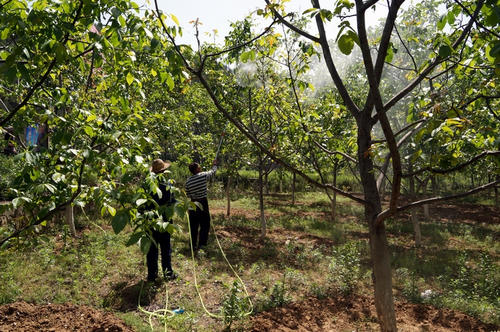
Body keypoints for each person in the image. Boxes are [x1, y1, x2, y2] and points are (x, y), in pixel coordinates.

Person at [145, 159, 176, 282]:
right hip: (165, 221)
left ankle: (152, 276)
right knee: (165, 248)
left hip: (150, 222)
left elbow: (141, 204)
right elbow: (172, 203)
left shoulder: (146, 185)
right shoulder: (167, 185)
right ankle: (168, 274)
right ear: (163, 171)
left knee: (151, 250)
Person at [185, 160, 217, 251]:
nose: (200, 167)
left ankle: (192, 245)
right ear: (197, 169)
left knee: (193, 226)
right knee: (205, 224)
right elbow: (212, 172)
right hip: (202, 202)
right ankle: (202, 245)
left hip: (192, 203)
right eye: (199, 166)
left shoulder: (188, 181)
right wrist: (214, 164)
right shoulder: (202, 175)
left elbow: (188, 195)